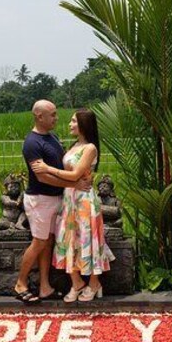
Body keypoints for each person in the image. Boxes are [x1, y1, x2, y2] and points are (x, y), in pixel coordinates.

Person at [31, 109, 115, 302]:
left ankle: (94, 282)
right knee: (67, 239)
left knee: (87, 238)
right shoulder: (74, 145)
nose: (69, 124)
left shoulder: (90, 148)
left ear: (83, 124)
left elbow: (76, 174)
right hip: (69, 198)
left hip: (84, 201)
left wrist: (47, 168)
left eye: (73, 121)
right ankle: (76, 282)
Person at [13, 100, 88, 304]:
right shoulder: (32, 143)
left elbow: (55, 167)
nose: (56, 118)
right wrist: (72, 183)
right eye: (52, 115)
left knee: (48, 243)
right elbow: (42, 177)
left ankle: (45, 286)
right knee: (39, 242)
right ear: (39, 117)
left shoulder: (52, 138)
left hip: (56, 198)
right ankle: (20, 283)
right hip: (40, 199)